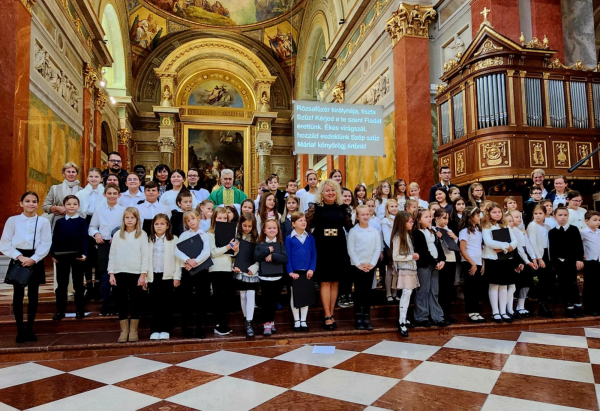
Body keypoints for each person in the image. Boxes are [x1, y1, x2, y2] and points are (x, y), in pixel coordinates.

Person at [0, 192, 52, 343]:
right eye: (27, 201)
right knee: (18, 295)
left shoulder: (43, 222)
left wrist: (34, 259)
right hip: (18, 257)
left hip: (36, 257)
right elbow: (5, 242)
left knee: (33, 296)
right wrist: (20, 257)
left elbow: (46, 243)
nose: (31, 204)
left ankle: (30, 329)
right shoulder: (13, 220)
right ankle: (20, 330)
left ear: (37, 204)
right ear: (21, 203)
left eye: (34, 201)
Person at [306, 179, 353, 330]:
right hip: (322, 247)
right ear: (322, 193)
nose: (330, 193)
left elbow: (350, 227)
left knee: (335, 282)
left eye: (333, 190)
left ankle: (331, 313)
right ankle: (326, 314)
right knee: (325, 281)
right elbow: (306, 226)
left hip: (338, 246)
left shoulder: (342, 208)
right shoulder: (315, 208)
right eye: (327, 190)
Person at [108, 207, 148, 343]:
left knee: (136, 301)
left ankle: (133, 330)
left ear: (137, 219)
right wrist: (111, 273)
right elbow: (112, 255)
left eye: (132, 217)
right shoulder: (118, 235)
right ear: (123, 219)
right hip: (119, 272)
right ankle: (124, 330)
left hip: (136, 273)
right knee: (121, 301)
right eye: (127, 218)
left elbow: (145, 255)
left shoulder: (142, 234)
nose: (129, 220)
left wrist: (143, 274)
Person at [88, 184, 125, 316]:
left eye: (115, 193)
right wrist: (96, 234)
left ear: (119, 195)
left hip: (119, 245)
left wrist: (118, 236)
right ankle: (105, 304)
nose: (112, 196)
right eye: (109, 193)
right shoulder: (99, 210)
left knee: (118, 275)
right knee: (105, 276)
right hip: (104, 245)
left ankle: (116, 304)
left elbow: (126, 227)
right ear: (104, 195)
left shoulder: (123, 210)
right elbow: (92, 226)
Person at [50, 195, 88, 320]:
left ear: (78, 206)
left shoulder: (82, 222)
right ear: (64, 206)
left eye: (74, 204)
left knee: (78, 285)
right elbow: (54, 239)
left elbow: (84, 239)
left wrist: (85, 254)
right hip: (62, 257)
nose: (71, 206)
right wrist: (54, 254)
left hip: (77, 257)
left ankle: (80, 310)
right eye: (69, 204)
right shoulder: (60, 222)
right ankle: (60, 310)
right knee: (62, 285)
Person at [174, 210, 211, 338]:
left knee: (201, 299)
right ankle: (185, 328)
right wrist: (187, 260)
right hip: (187, 270)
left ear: (198, 218)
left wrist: (195, 261)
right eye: (188, 220)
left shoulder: (204, 235)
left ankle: (199, 328)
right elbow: (177, 251)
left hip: (201, 270)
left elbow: (206, 252)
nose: (191, 222)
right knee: (186, 300)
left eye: (193, 219)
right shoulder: (184, 235)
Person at [412, 210, 449, 327]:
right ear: (418, 220)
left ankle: (437, 316)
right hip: (425, 265)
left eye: (430, 217)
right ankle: (421, 316)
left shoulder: (432, 231)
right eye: (426, 217)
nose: (429, 219)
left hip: (435, 265)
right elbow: (423, 251)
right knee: (423, 291)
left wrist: (442, 260)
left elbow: (438, 247)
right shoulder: (417, 233)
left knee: (434, 291)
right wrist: (434, 262)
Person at [482, 202, 518, 323]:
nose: (497, 214)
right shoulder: (486, 225)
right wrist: (506, 246)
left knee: (504, 285)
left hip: (505, 258)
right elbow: (488, 242)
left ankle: (503, 311)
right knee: (494, 285)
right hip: (493, 258)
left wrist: (509, 247)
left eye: (499, 212)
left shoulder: (505, 224)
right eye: (494, 212)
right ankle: (495, 312)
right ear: (488, 213)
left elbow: (514, 240)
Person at [147, 214, 180, 340]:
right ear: (153, 226)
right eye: (156, 224)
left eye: (162, 224)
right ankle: (155, 329)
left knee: (166, 303)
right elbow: (145, 258)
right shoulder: (149, 239)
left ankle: (166, 329)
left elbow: (178, 260)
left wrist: (177, 276)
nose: (159, 226)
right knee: (154, 303)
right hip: (153, 275)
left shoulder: (174, 239)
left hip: (167, 276)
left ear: (167, 226)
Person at [347, 205, 381, 331]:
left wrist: (372, 264)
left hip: (370, 266)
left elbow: (377, 248)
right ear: (357, 216)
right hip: (357, 266)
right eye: (362, 214)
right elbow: (351, 249)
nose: (365, 216)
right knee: (358, 292)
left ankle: (367, 316)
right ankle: (358, 317)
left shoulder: (374, 232)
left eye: (367, 214)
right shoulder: (353, 231)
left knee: (367, 292)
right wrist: (359, 264)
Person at [206, 207, 239, 336]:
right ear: (214, 219)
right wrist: (228, 247)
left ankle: (224, 323)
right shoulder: (209, 234)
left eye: (224, 218)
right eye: (219, 218)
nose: (222, 220)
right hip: (215, 269)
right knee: (218, 298)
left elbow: (233, 254)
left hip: (227, 268)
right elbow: (213, 253)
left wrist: (235, 249)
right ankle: (218, 324)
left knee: (226, 298)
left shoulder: (231, 232)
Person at [549, 206, 584, 318]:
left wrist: (579, 259)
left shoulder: (574, 229)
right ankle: (568, 306)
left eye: (565, 215)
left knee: (573, 282)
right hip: (559, 262)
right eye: (560, 215)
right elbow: (553, 248)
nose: (563, 217)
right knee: (563, 283)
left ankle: (576, 304)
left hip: (572, 261)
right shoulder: (552, 232)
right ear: (555, 216)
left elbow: (579, 245)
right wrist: (555, 262)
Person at [254, 218, 288, 336]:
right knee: (266, 301)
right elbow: (256, 257)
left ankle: (271, 321)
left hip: (277, 277)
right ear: (264, 230)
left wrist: (273, 256)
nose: (272, 230)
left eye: (274, 228)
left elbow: (284, 258)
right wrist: (266, 251)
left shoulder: (280, 244)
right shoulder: (260, 244)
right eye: (269, 228)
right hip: (264, 277)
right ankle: (266, 323)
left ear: (278, 230)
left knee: (273, 301)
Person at [76, 167, 105, 301]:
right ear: (87, 178)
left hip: (100, 222)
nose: (94, 179)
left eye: (96, 176)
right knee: (86, 254)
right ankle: (88, 285)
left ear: (101, 179)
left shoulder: (105, 193)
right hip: (84, 222)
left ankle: (98, 285)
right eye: (91, 176)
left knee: (99, 255)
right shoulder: (81, 194)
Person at [285, 211, 317, 332]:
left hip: (307, 272)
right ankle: (296, 320)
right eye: (300, 220)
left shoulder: (310, 237)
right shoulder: (289, 239)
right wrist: (290, 271)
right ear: (293, 224)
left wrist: (311, 269)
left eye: (304, 220)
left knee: (305, 296)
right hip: (295, 273)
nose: (303, 222)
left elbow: (314, 254)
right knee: (295, 297)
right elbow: (287, 255)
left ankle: (303, 320)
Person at [391, 210, 420, 336]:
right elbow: (395, 256)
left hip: (410, 269)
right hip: (404, 269)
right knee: (406, 293)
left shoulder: (407, 235)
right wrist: (411, 257)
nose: (412, 223)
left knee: (408, 294)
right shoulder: (398, 237)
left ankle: (404, 318)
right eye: (409, 221)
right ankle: (401, 321)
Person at [233, 213, 260, 338]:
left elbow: (259, 257)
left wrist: (254, 268)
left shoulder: (257, 239)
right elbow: (232, 256)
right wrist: (234, 266)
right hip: (240, 270)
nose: (247, 228)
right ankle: (245, 318)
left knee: (251, 293)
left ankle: (249, 321)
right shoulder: (236, 238)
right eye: (244, 225)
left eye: (250, 226)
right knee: (243, 294)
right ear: (240, 225)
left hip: (251, 270)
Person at [527, 204, 555, 317]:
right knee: (539, 282)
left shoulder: (547, 226)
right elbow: (532, 243)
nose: (538, 216)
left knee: (547, 281)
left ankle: (544, 304)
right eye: (535, 213)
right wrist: (539, 258)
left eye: (540, 213)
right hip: (538, 255)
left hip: (546, 254)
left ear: (545, 214)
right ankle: (538, 306)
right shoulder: (532, 225)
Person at [459, 207, 486, 323]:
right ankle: (471, 312)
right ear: (470, 217)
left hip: (478, 263)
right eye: (477, 215)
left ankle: (477, 311)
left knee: (476, 288)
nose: (479, 217)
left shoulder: (479, 231)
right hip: (469, 263)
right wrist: (472, 263)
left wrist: (482, 263)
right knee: (470, 288)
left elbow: (481, 248)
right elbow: (463, 250)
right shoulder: (464, 231)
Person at [508, 210, 537, 318]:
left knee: (527, 282)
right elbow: (519, 248)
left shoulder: (521, 231)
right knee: (518, 283)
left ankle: (521, 305)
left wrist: (533, 257)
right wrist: (527, 261)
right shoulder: (510, 231)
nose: (519, 219)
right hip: (518, 257)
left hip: (525, 257)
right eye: (516, 217)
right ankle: (511, 308)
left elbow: (528, 245)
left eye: (520, 217)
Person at [434, 208, 458, 323]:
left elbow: (455, 246)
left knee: (449, 289)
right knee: (441, 288)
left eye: (447, 218)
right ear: (436, 218)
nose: (446, 221)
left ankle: (447, 313)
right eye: (444, 218)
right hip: (442, 261)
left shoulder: (448, 229)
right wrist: (438, 238)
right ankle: (440, 314)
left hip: (451, 260)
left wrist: (455, 238)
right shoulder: (434, 230)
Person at [42, 162, 82, 228]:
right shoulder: (55, 188)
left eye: (73, 172)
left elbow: (85, 209)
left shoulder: (82, 191)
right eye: (68, 172)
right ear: (63, 174)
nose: (71, 174)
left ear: (77, 174)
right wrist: (57, 208)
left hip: (76, 224)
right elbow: (45, 206)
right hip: (58, 223)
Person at [582, 211, 600, 316]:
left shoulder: (599, 232)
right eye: (595, 220)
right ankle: (588, 307)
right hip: (589, 261)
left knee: (598, 285)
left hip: (599, 261)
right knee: (589, 285)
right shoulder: (583, 233)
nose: (597, 222)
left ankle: (597, 306)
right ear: (587, 221)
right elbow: (579, 246)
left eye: (599, 220)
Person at [381, 199, 399, 302]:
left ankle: (395, 292)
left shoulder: (399, 219)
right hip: (391, 247)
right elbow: (387, 237)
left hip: (400, 247)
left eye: (396, 206)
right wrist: (394, 247)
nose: (394, 208)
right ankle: (388, 293)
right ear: (387, 209)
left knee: (397, 270)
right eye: (392, 206)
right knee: (390, 270)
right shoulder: (385, 221)